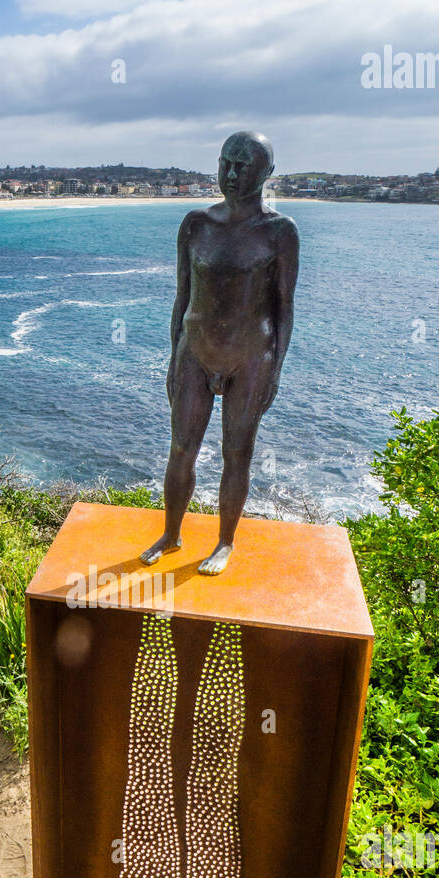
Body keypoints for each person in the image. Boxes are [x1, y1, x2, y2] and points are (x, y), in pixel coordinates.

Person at [141, 131, 299, 575]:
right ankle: (171, 534)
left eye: (243, 165)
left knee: (237, 454)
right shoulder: (196, 224)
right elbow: (182, 297)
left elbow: (284, 309)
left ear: (267, 173)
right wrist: (174, 359)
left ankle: (224, 542)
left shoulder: (280, 232)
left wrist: (275, 370)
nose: (231, 173)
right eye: (226, 162)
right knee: (181, 448)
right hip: (196, 352)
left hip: (251, 358)